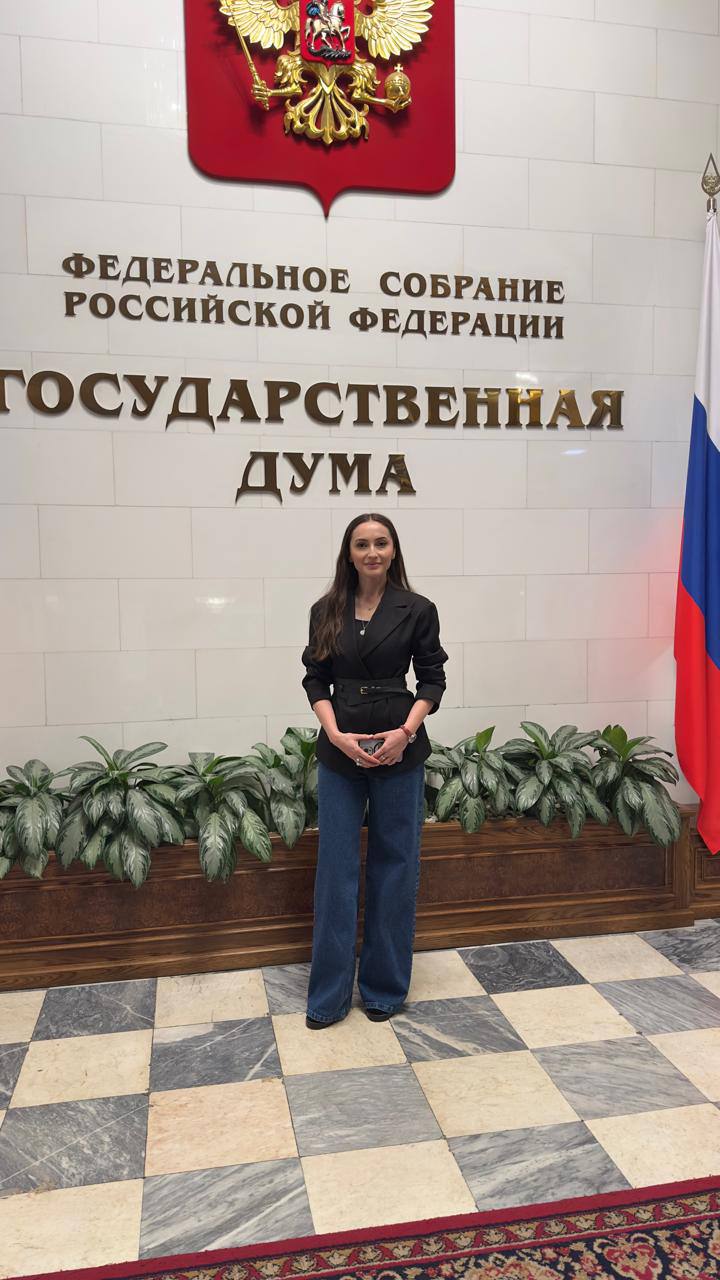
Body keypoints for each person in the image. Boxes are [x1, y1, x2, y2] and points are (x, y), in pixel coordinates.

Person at [300, 513, 448, 1029]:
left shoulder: (418, 609)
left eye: (380, 543)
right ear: (349, 553)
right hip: (340, 751)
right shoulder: (325, 610)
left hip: (398, 749)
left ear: (393, 550)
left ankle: (384, 989)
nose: (372, 552)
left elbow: (432, 680)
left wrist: (405, 733)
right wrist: (336, 734)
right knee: (335, 871)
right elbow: (315, 679)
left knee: (395, 867)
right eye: (361, 544)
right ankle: (328, 997)